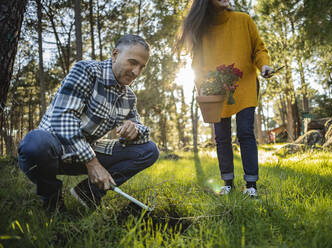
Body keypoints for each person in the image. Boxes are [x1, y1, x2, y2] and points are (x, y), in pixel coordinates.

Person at [18, 34, 159, 211]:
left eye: (141, 67)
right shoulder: (86, 70)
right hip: (54, 150)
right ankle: (52, 199)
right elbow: (63, 118)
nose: (136, 72)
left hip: (85, 153)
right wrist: (92, 163)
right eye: (132, 62)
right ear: (115, 54)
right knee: (35, 143)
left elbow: (140, 132)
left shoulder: (129, 97)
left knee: (149, 151)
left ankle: (88, 193)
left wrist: (135, 130)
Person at [177, 0, 274, 197]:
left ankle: (251, 186)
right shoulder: (202, 30)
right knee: (221, 137)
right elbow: (197, 64)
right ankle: (228, 182)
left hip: (245, 84)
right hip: (216, 89)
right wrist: (205, 88)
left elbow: (258, 48)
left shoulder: (243, 20)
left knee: (245, 132)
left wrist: (264, 65)